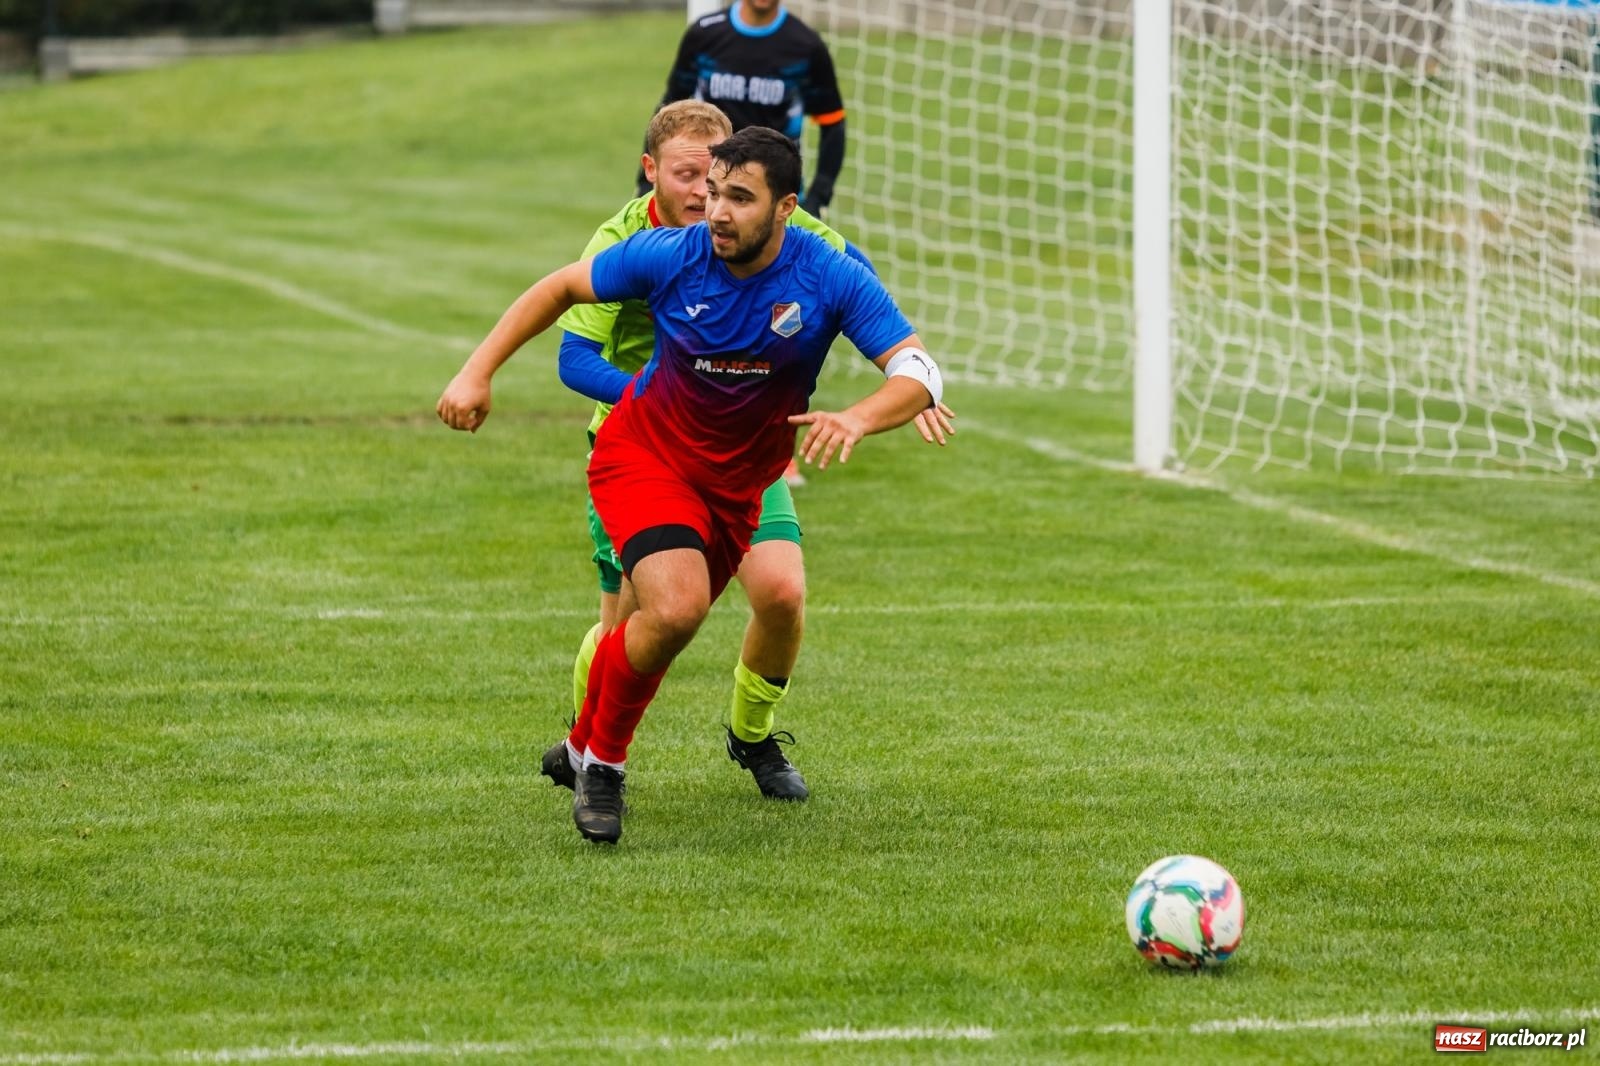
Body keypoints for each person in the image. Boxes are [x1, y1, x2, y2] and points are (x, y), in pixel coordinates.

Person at [438, 126, 946, 844]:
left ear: (785, 208)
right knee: (674, 611)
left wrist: (865, 415)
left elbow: (919, 370)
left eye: (739, 197)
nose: (717, 212)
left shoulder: (827, 271)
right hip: (644, 455)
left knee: (707, 614)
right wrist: (476, 370)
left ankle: (586, 744)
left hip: (739, 482)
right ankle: (605, 769)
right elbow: (559, 287)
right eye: (712, 192)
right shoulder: (672, 255)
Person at [637, 0, 846, 221]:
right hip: (708, 195)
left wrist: (817, 197)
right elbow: (668, 113)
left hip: (773, 200)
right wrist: (645, 183)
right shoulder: (704, 35)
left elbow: (833, 123)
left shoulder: (806, 46)